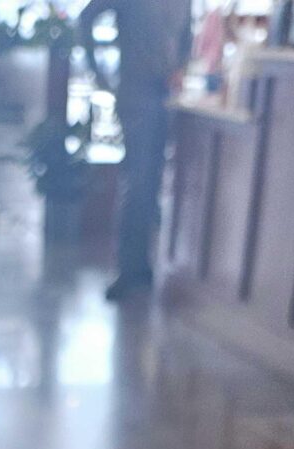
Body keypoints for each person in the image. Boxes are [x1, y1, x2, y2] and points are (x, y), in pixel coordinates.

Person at [78, 0, 192, 301]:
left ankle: (141, 265)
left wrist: (180, 66)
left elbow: (186, 35)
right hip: (136, 92)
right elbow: (86, 17)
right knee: (139, 180)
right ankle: (127, 269)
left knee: (153, 184)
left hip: (166, 93)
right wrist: (98, 73)